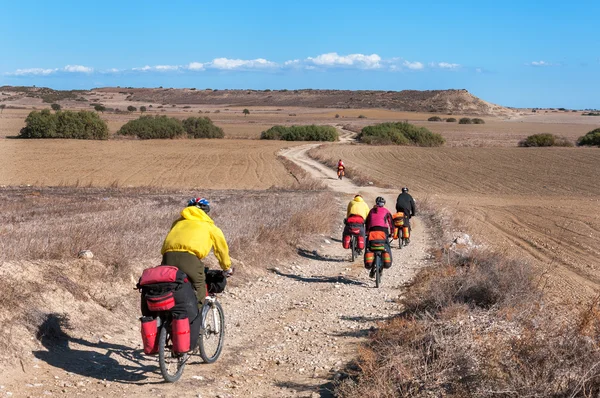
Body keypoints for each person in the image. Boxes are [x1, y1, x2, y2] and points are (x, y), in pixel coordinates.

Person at [161, 197, 233, 309]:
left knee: (168, 286)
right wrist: (226, 268)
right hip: (190, 259)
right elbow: (221, 250)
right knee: (200, 286)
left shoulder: (177, 223)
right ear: (206, 212)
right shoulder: (210, 227)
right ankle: (196, 320)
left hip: (167, 257)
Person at [365, 196, 394, 277]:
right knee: (386, 247)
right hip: (383, 233)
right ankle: (385, 263)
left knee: (369, 247)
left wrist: (367, 232)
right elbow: (391, 223)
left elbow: (367, 223)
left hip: (372, 232)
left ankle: (370, 264)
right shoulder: (386, 211)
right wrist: (392, 233)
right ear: (383, 204)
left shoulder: (371, 211)